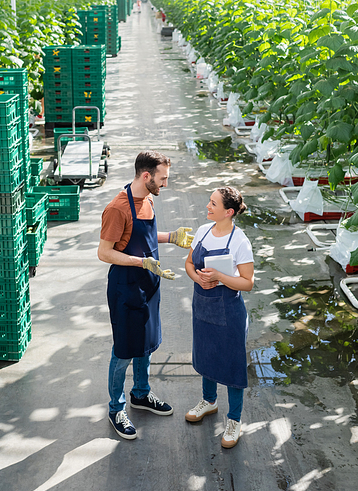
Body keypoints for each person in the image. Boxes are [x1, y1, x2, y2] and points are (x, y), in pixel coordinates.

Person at [98, 150, 194, 440]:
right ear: (146, 176)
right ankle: (116, 408)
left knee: (146, 344)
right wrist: (141, 262)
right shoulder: (117, 208)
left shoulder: (148, 198)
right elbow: (104, 252)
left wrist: (171, 237)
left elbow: (147, 236)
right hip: (126, 286)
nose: (165, 184)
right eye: (162, 179)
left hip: (149, 283)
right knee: (124, 350)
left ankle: (141, 393)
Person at [184, 186, 254, 449]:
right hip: (202, 307)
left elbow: (247, 283)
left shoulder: (240, 241)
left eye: (213, 204)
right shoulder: (203, 232)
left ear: (229, 212)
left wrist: (219, 277)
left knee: (233, 365)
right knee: (206, 354)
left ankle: (234, 420)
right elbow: (189, 264)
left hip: (229, 312)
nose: (207, 207)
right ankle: (209, 401)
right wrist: (199, 280)